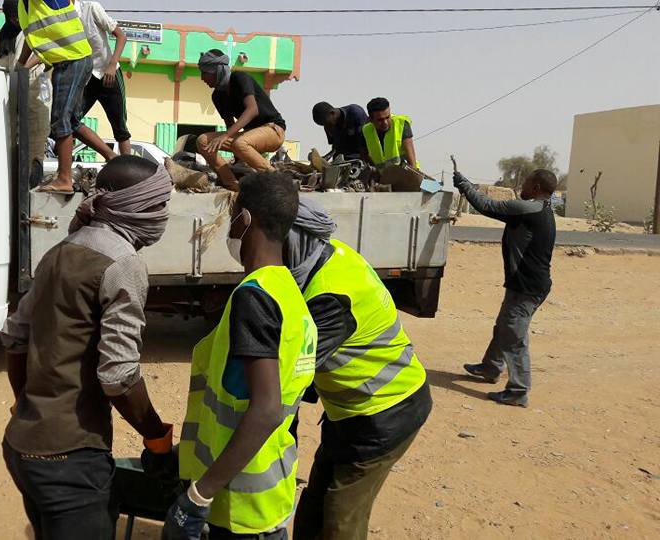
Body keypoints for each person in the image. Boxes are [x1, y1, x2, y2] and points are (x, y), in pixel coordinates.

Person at [1, 155, 175, 539]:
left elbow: (15, 337)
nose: (164, 214)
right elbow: (118, 377)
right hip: (70, 461)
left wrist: (26, 403)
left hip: (21, 446)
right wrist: (157, 439)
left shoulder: (61, 249)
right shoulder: (122, 263)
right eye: (159, 204)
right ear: (137, 207)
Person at [168, 171, 317, 540]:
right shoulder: (287, 289)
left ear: (245, 219)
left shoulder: (255, 297)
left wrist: (198, 496)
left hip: (239, 505)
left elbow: (266, 409)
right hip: (267, 490)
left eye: (232, 215)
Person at [284, 200, 432, 540]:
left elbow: (289, 378)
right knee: (313, 510)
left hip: (385, 416)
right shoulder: (326, 255)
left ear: (294, 240)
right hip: (348, 415)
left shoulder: (330, 296)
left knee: (341, 519)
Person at [454, 168, 557, 407]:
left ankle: (518, 391)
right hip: (526, 285)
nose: (523, 185)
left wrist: (464, 184)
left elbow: (486, 205)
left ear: (536, 187)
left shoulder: (528, 209)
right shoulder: (541, 209)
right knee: (505, 326)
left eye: (527, 181)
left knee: (514, 336)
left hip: (527, 287)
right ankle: (490, 368)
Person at [0, 0, 98, 194]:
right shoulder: (25, 9)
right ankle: (111, 156)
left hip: (73, 59)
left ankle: (64, 179)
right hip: (65, 62)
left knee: (61, 121)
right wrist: (21, 65)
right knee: (71, 122)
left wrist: (23, 65)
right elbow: (32, 39)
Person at [196, 50, 287, 192]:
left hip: (273, 130)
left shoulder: (239, 78)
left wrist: (226, 136)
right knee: (203, 141)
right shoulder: (217, 96)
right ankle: (233, 184)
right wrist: (238, 159)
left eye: (205, 73)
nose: (202, 78)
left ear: (218, 71)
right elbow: (230, 125)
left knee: (239, 143)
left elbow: (252, 109)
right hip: (249, 137)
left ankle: (276, 180)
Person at [0, 1, 51, 179]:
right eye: (12, 17)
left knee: (35, 143)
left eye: (18, 16)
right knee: (7, 145)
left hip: (35, 94)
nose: (16, 20)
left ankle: (31, 185)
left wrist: (23, 67)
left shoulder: (35, 30)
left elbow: (45, 53)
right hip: (9, 99)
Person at [73, 0, 130, 159]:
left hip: (110, 75)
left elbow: (121, 36)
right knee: (70, 121)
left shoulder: (91, 8)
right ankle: (110, 156)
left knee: (120, 129)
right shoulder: (62, 16)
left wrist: (112, 65)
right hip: (87, 78)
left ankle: (128, 168)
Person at [360, 97, 417, 169]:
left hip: (405, 173)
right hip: (383, 175)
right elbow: (364, 156)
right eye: (380, 120)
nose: (385, 122)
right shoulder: (366, 131)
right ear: (371, 119)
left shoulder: (401, 124)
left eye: (387, 117)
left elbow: (412, 163)